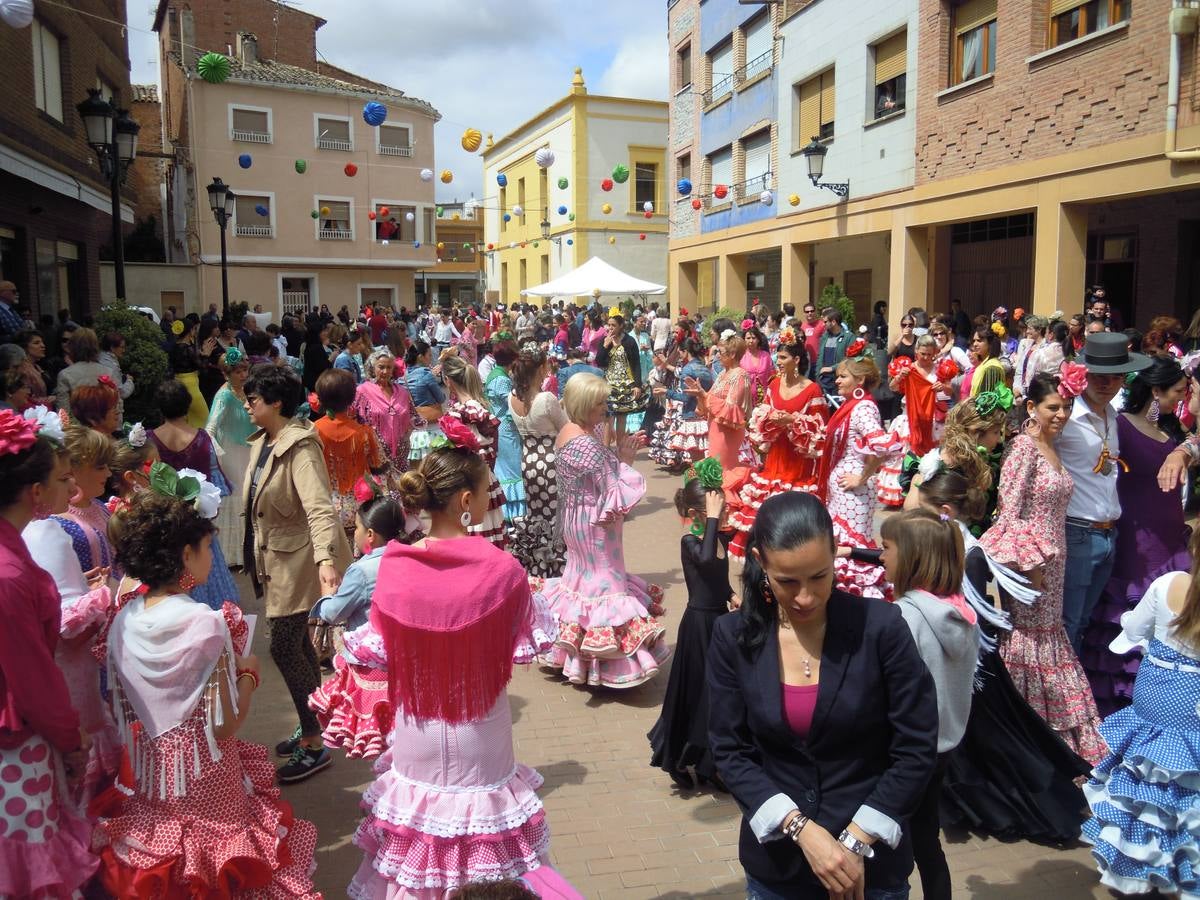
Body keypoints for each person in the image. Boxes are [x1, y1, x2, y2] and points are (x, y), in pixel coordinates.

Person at [707, 491, 939, 900]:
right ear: (760, 562)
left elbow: (916, 746)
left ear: (835, 553)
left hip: (871, 872)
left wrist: (853, 843)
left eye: (819, 576)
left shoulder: (881, 628)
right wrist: (801, 830)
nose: (805, 597)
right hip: (780, 870)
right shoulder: (734, 638)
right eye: (787, 581)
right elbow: (730, 750)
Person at [350, 445, 558, 897]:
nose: (491, 497)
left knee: (416, 855)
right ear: (466, 502)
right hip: (479, 732)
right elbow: (526, 642)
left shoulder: (394, 567)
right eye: (486, 490)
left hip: (416, 730)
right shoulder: (503, 571)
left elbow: (378, 649)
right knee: (488, 858)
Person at [97, 490, 321, 896]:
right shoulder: (204, 622)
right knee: (226, 867)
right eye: (206, 547)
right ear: (186, 555)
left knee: (176, 870)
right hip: (208, 777)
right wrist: (249, 675)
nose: (212, 556)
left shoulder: (123, 620)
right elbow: (224, 724)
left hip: (154, 778)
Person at [906, 464, 1090, 844]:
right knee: (973, 744)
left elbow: (976, 619)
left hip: (971, 667)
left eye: (923, 509)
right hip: (961, 663)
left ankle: (1021, 805)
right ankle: (964, 804)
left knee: (994, 745)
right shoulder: (947, 541)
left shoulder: (970, 555)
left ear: (945, 511)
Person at [978, 371, 1106, 765]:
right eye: (1054, 407)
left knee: (1050, 638)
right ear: (1031, 407)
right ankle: (1030, 737)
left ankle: (1057, 738)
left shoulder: (1053, 446)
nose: (1062, 414)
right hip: (1031, 567)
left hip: (1056, 561)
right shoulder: (1023, 448)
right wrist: (1026, 565)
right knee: (1029, 642)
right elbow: (1009, 515)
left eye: (1066, 407)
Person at [0, 409, 98, 897]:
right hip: (17, 743)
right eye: (62, 479)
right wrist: (69, 737)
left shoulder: (12, 556)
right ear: (36, 493)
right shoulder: (9, 574)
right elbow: (31, 676)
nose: (72, 489)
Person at [241, 363, 352, 782]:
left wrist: (326, 561)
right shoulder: (264, 441)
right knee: (300, 646)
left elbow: (319, 508)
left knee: (284, 646)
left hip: (299, 561)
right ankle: (315, 719)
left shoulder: (300, 447)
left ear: (275, 402)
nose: (247, 405)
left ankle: (314, 741)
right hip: (276, 558)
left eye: (253, 400)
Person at [1081, 531, 1200, 898]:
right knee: (1186, 785)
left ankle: (1141, 866)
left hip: (1155, 694)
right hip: (1192, 701)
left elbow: (1133, 628)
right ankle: (1184, 870)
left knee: (1147, 780)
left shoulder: (1168, 583)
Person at [540, 374, 670, 688]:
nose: (605, 407)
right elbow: (614, 490)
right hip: (596, 524)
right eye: (599, 402)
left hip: (576, 518)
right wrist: (625, 460)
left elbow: (602, 474)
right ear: (583, 404)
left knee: (580, 583)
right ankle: (610, 665)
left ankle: (572, 657)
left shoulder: (569, 431)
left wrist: (620, 456)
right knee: (606, 585)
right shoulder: (584, 440)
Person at [1080, 354, 1191, 716]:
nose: (1182, 400)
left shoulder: (1172, 433)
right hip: (1135, 541)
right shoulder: (1121, 425)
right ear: (1156, 390)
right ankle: (1118, 702)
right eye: (1177, 391)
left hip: (1171, 538)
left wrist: (1184, 449)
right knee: (1127, 615)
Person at [880, 510, 977, 900]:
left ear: (912, 556)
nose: (881, 556)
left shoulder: (904, 617)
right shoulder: (958, 611)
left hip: (906, 751)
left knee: (894, 843)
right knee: (927, 841)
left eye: (886, 548)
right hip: (943, 745)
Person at [1058, 332, 1151, 652]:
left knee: (1084, 619)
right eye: (1099, 376)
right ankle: (1061, 699)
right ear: (1085, 374)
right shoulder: (1064, 416)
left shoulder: (1112, 415)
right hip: (1077, 531)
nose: (1106, 383)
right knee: (1069, 621)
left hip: (1109, 533)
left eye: (1115, 377)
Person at [648, 463, 732, 790]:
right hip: (698, 626)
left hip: (719, 622)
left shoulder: (718, 537)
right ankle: (680, 757)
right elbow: (707, 561)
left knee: (719, 695)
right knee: (695, 693)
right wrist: (711, 519)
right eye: (718, 510)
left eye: (723, 508)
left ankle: (712, 763)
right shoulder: (691, 542)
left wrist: (732, 595)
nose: (723, 514)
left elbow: (716, 579)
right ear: (698, 513)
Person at [308, 491, 407, 760]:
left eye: (358, 528)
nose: (355, 533)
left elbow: (333, 612)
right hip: (406, 661)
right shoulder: (411, 558)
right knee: (402, 731)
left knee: (376, 736)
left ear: (371, 535)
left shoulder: (361, 571)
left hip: (371, 668)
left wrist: (327, 592)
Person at [729, 329, 828, 561]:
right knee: (769, 507)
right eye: (777, 357)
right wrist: (768, 420)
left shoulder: (812, 389)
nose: (778, 362)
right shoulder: (773, 385)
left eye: (783, 357)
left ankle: (795, 555)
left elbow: (821, 426)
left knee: (794, 509)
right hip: (776, 456)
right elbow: (761, 415)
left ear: (797, 360)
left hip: (799, 460)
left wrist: (792, 420)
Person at [149, 379, 240, 610]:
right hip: (198, 518)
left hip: (165, 521)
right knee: (209, 570)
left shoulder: (150, 440)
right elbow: (215, 481)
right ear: (187, 405)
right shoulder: (201, 438)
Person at [816, 354, 896, 599]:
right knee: (841, 547)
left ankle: (857, 602)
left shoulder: (863, 408)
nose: (837, 381)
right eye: (837, 376)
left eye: (843, 376)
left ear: (859, 380)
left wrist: (861, 478)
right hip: (843, 493)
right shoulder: (852, 406)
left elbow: (884, 448)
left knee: (852, 550)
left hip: (854, 493)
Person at [509, 347, 569, 577]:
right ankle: (558, 567)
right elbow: (565, 427)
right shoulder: (546, 398)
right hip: (549, 460)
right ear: (541, 368)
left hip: (528, 460)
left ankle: (538, 566)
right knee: (556, 514)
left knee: (536, 514)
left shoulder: (511, 398)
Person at [443, 354, 509, 547]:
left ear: (448, 381)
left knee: (475, 527)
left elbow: (476, 444)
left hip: (470, 476)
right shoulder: (474, 407)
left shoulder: (464, 410)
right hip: (482, 474)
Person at [878, 335, 949, 508]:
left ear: (934, 353)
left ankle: (926, 495)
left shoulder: (939, 370)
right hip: (910, 419)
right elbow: (893, 388)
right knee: (905, 456)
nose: (925, 358)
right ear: (916, 351)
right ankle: (902, 494)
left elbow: (950, 391)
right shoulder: (908, 368)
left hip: (933, 420)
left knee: (930, 458)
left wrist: (943, 387)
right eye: (922, 353)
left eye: (929, 354)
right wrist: (900, 377)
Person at [312, 367, 385, 533]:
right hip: (359, 508)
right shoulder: (364, 433)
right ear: (351, 398)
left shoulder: (312, 431)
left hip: (322, 507)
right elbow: (380, 470)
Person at [204, 346, 254, 568]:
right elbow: (210, 428)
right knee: (236, 500)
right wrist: (218, 457)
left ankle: (248, 552)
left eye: (244, 370)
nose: (243, 375)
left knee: (249, 498)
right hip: (231, 453)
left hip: (248, 449)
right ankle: (232, 555)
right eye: (237, 372)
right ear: (226, 374)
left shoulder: (245, 391)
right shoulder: (224, 395)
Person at [691, 333, 753, 470]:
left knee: (722, 468)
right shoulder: (721, 374)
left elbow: (732, 409)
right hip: (715, 427)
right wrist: (699, 394)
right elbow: (709, 402)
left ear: (732, 354)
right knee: (716, 466)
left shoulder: (740, 374)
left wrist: (704, 395)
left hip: (728, 431)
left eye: (721, 352)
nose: (717, 355)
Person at [354, 347, 414, 482]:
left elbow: (413, 417)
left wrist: (405, 437)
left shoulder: (402, 392)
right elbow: (355, 421)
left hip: (401, 456)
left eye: (389, 367)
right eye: (381, 367)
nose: (385, 371)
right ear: (372, 367)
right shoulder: (363, 391)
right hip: (375, 456)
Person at [484, 339, 526, 521]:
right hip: (506, 430)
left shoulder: (495, 373)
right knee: (512, 469)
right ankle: (515, 513)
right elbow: (511, 405)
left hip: (501, 427)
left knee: (505, 469)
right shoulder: (501, 379)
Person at [595, 313, 644, 445]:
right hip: (609, 384)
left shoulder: (629, 341)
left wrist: (637, 384)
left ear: (621, 326)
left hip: (625, 384)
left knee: (622, 417)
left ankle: (621, 448)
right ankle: (605, 448)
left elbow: (635, 364)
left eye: (613, 325)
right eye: (609, 325)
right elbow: (599, 361)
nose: (610, 328)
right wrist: (605, 347)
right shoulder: (605, 340)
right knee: (607, 417)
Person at [404, 339, 447, 463]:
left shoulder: (404, 377)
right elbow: (441, 398)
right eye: (429, 355)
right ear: (420, 357)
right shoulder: (426, 375)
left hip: (415, 429)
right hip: (432, 427)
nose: (430, 358)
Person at [167, 316, 213, 427]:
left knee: (186, 418)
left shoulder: (174, 347)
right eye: (194, 329)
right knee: (205, 417)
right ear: (191, 331)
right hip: (191, 385)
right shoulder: (188, 348)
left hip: (177, 383)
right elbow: (203, 368)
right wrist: (206, 355)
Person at [815, 310, 853, 394]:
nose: (823, 324)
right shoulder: (824, 337)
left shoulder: (848, 337)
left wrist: (832, 368)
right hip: (823, 381)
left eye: (825, 322)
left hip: (839, 380)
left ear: (833, 322)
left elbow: (850, 359)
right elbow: (819, 357)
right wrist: (818, 376)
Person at [965, 327, 1005, 399]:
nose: (975, 344)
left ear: (990, 343)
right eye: (974, 341)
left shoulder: (992, 367)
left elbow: (987, 400)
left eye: (979, 341)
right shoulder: (983, 365)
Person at [741, 323, 776, 405]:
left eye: (754, 338)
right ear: (744, 340)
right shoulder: (741, 356)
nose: (751, 341)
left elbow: (773, 376)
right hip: (746, 400)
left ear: (758, 339)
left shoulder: (766, 356)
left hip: (764, 399)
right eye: (748, 338)